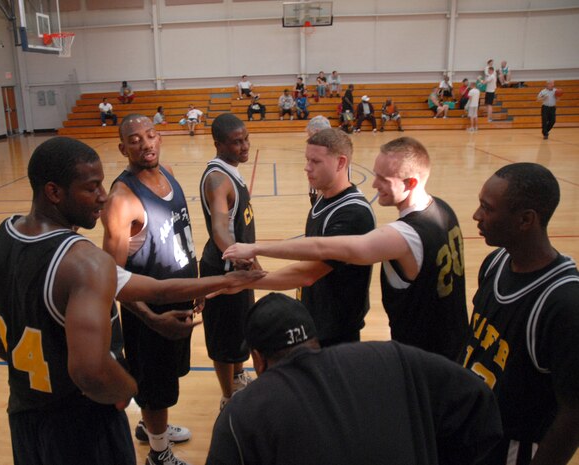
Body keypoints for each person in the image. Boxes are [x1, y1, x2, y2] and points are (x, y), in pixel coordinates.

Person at [0, 137, 139, 465]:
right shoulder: (84, 262)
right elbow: (91, 373)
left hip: (25, 417)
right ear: (54, 192)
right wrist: (129, 389)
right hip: (83, 427)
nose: (103, 196)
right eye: (92, 186)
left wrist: (5, 351)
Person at [224, 137, 469, 360]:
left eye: (384, 178)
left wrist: (254, 252)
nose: (374, 184)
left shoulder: (402, 234)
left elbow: (321, 249)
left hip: (426, 350)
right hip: (449, 337)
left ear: (411, 182)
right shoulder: (443, 209)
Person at [205, 293, 503, 465]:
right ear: (315, 340)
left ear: (257, 359)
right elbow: (477, 400)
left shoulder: (242, 414)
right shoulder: (394, 358)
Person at [462, 163, 579, 465]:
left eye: (487, 209)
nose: (476, 216)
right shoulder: (495, 261)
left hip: (514, 447)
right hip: (477, 431)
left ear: (526, 220)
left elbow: (573, 414)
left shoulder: (564, 303)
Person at [102, 115, 199, 465]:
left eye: (151, 135)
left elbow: (182, 234)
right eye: (135, 139)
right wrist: (149, 318)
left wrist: (196, 281)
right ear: (122, 147)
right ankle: (158, 454)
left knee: (168, 377)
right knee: (156, 386)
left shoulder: (168, 172)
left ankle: (150, 426)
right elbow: (110, 275)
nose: (145, 144)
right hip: (149, 312)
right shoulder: (122, 199)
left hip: (180, 296)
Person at [225, 129, 375, 345]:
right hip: (316, 318)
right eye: (307, 159)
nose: (307, 167)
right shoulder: (324, 199)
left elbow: (307, 274)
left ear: (341, 163)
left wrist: (246, 283)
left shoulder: (353, 213)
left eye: (315, 161)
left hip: (337, 330)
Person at [199, 114, 259, 411]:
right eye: (237, 142)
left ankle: (238, 378)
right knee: (224, 341)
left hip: (238, 264)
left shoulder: (231, 170)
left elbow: (239, 227)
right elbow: (220, 230)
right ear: (218, 144)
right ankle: (228, 397)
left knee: (239, 331)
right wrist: (239, 256)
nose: (245, 146)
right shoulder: (217, 179)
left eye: (246, 139)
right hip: (224, 270)